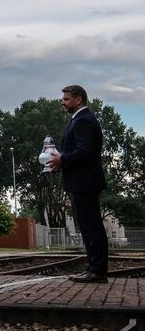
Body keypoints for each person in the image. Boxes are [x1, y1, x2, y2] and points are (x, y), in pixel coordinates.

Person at [47, 85, 108, 283]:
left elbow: (85, 151)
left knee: (91, 227)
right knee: (87, 226)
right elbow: (81, 152)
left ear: (78, 100)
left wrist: (62, 159)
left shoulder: (83, 121)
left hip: (85, 182)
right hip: (82, 181)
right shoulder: (81, 120)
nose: (62, 102)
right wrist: (61, 162)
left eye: (66, 99)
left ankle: (97, 270)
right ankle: (93, 267)